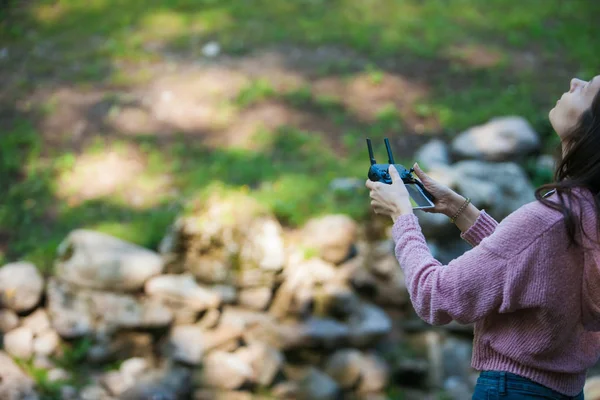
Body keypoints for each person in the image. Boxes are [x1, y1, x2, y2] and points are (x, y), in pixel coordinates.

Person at [366, 76, 600, 400]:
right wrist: (459, 209)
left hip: (512, 391)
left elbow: (433, 295)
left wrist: (402, 216)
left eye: (587, 90)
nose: (576, 81)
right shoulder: (586, 213)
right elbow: (530, 267)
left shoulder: (549, 218)